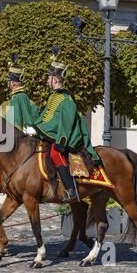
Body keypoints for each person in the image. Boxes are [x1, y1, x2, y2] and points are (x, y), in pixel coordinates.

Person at [35, 48, 100, 202]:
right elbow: (48, 118)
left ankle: (71, 190)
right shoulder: (54, 97)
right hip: (57, 135)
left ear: (55, 79)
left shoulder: (66, 99)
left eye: (48, 78)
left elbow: (66, 123)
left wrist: (61, 143)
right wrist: (37, 128)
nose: (46, 81)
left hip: (69, 137)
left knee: (55, 153)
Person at [1, 53, 39, 134]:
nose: (8, 83)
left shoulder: (16, 98)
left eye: (9, 81)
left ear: (13, 83)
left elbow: (13, 121)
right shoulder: (25, 97)